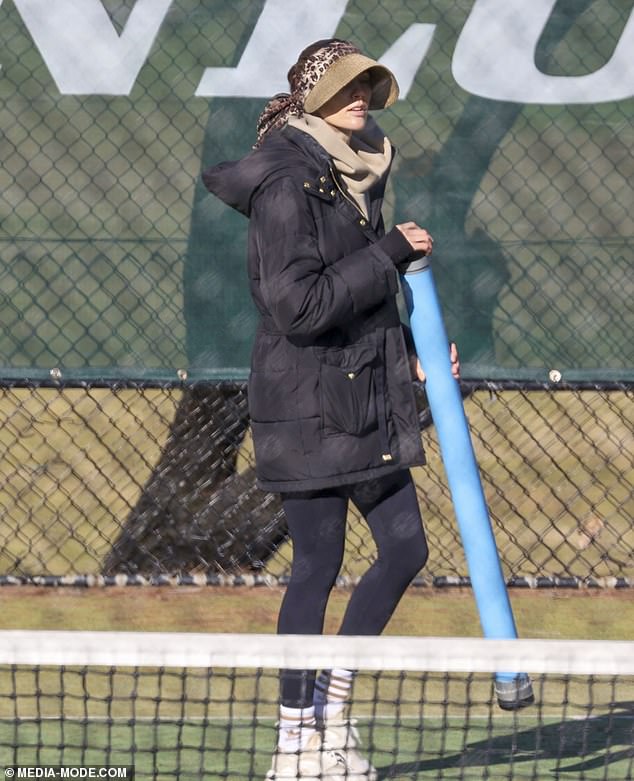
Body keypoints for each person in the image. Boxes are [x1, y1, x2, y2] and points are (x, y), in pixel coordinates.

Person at [203, 38, 459, 781]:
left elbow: (362, 292)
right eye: (347, 86)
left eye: (370, 85)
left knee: (405, 548)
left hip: (363, 397)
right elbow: (299, 305)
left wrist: (409, 351)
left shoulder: (357, 171)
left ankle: (334, 712)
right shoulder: (288, 184)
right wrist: (385, 253)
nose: (362, 97)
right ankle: (295, 741)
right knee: (319, 561)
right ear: (312, 96)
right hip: (303, 400)